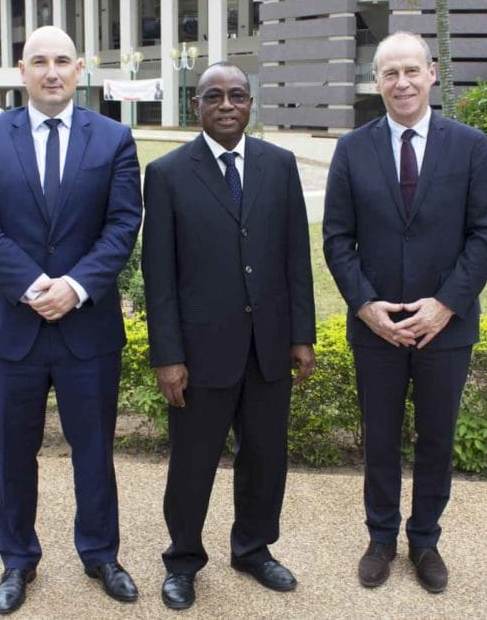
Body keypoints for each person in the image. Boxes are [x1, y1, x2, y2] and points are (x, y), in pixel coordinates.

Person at [0, 26, 142, 615]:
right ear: (22, 70)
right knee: (14, 455)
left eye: (63, 60)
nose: (52, 71)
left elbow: (123, 224)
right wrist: (37, 287)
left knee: (95, 452)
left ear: (79, 69)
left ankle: (101, 555)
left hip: (88, 331)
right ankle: (17, 559)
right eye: (40, 61)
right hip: (13, 329)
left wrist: (76, 287)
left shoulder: (113, 138)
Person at [322, 32, 487, 594]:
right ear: (376, 82)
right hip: (376, 328)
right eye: (389, 73)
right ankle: (381, 538)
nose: (401, 83)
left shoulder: (469, 146)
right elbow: (337, 238)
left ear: (431, 73)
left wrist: (446, 305)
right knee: (379, 439)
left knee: (436, 439)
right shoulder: (352, 149)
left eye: (410, 70)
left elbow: (486, 232)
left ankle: (424, 540)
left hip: (444, 328)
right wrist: (365, 306)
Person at [141, 62, 316, 610]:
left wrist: (301, 335)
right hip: (199, 354)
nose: (226, 105)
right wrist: (168, 355)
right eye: (213, 96)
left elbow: (296, 257)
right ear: (196, 106)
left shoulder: (279, 165)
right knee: (192, 464)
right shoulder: (167, 174)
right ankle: (183, 560)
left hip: (268, 347)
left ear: (250, 105)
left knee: (265, 458)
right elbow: (158, 276)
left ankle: (253, 550)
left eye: (237, 95)